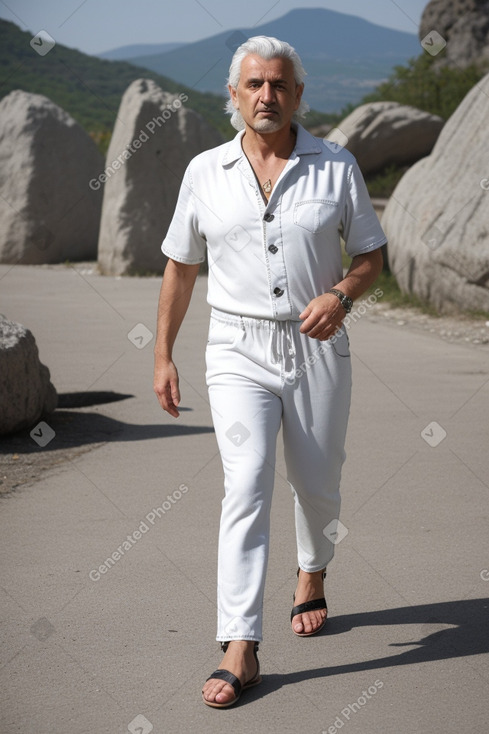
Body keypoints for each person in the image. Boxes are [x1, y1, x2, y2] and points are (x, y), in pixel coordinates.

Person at [153, 35, 386, 708]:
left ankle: (311, 571)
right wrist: (162, 352)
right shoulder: (204, 171)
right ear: (232, 95)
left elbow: (370, 256)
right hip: (234, 348)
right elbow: (180, 265)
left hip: (317, 346)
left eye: (278, 85)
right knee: (245, 485)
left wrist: (340, 295)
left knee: (318, 484)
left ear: (297, 95)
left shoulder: (335, 166)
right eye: (253, 85)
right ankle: (240, 644)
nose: (266, 96)